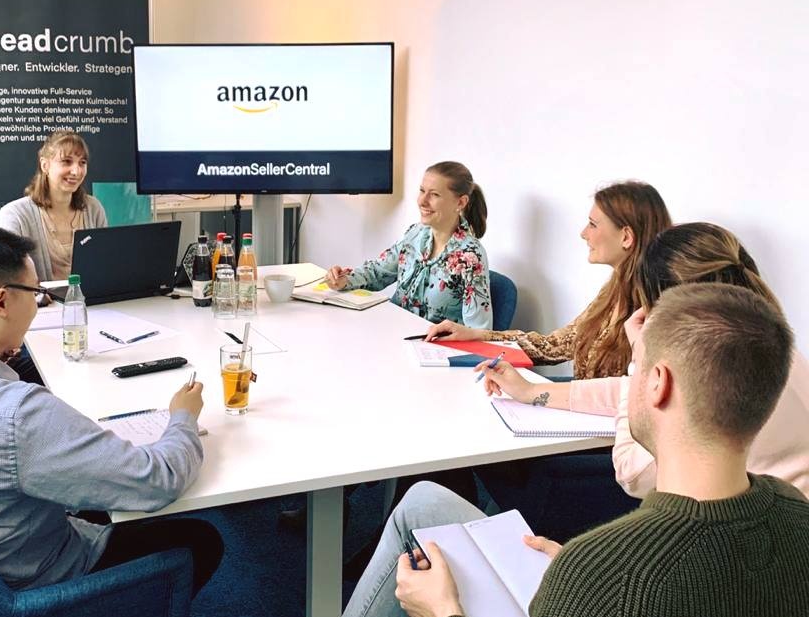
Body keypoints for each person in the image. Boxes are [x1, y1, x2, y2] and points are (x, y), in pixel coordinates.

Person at [344, 283, 809, 617]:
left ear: (658, 384)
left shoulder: (600, 571)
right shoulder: (796, 511)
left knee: (417, 528)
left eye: (634, 368)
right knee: (425, 500)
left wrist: (442, 610)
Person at [0, 224, 222, 592]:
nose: (39, 302)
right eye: (36, 292)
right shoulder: (19, 415)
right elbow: (159, 480)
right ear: (1, 303)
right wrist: (183, 417)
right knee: (200, 540)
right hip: (36, 587)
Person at [480, 222, 809, 502]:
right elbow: (630, 391)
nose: (582, 233)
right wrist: (532, 392)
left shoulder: (715, 377)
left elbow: (632, 473)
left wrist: (640, 359)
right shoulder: (768, 347)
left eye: (593, 223)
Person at [427, 180, 671, 379]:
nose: (583, 233)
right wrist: (477, 335)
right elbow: (554, 346)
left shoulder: (656, 312)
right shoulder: (614, 289)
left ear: (626, 237)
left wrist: (534, 393)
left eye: (593, 225)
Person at [326, 161, 492, 328]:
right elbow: (378, 272)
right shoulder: (415, 234)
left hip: (430, 342)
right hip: (393, 330)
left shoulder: (471, 256)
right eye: (422, 191)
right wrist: (344, 280)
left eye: (434, 194)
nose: (422, 201)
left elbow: (479, 330)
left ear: (461, 203)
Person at [0, 130, 107, 282]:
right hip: (38, 299)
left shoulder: (93, 208)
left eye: (82, 162)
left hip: (90, 297)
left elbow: (104, 265)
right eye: (67, 161)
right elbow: (10, 276)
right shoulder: (14, 214)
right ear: (45, 165)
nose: (76, 171)